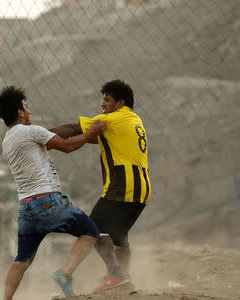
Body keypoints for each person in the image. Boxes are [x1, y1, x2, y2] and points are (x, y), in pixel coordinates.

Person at [0, 86, 106, 300]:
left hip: (26, 208)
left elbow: (42, 147)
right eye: (26, 107)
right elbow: (67, 146)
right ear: (20, 112)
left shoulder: (7, 141)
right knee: (90, 233)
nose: (30, 111)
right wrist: (92, 133)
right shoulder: (31, 131)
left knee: (22, 260)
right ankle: (64, 275)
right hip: (47, 201)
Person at [49, 79, 151, 292]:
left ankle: (114, 274)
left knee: (91, 229)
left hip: (122, 188)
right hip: (141, 191)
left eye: (107, 100)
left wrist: (42, 136)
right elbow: (92, 137)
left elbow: (74, 128)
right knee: (119, 237)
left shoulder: (113, 119)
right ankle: (124, 281)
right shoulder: (134, 119)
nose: (102, 105)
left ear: (120, 103)